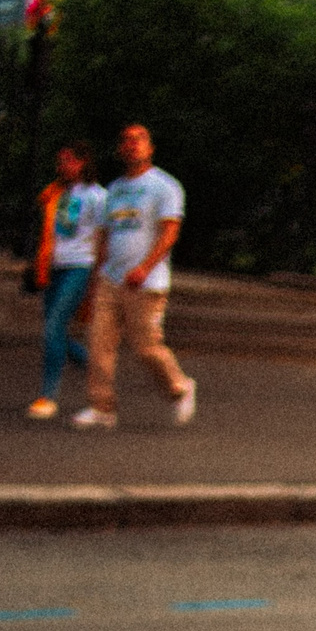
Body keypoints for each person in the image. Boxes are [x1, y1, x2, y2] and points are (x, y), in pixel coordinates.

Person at [73, 124, 199, 430]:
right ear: (120, 149)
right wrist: (93, 283)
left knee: (146, 346)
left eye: (139, 139)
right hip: (110, 279)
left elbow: (170, 232)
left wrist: (145, 266)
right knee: (100, 343)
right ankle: (101, 407)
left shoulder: (164, 186)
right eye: (126, 140)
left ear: (150, 148)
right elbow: (104, 238)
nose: (132, 145)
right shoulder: (113, 191)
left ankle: (179, 387)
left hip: (146, 282)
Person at [27, 143, 105, 420]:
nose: (62, 166)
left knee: (54, 326)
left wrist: (97, 276)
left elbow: (101, 237)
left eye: (68, 161)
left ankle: (48, 395)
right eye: (60, 161)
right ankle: (98, 369)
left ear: (83, 163)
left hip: (79, 266)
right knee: (55, 331)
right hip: (53, 265)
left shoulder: (96, 196)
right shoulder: (53, 193)